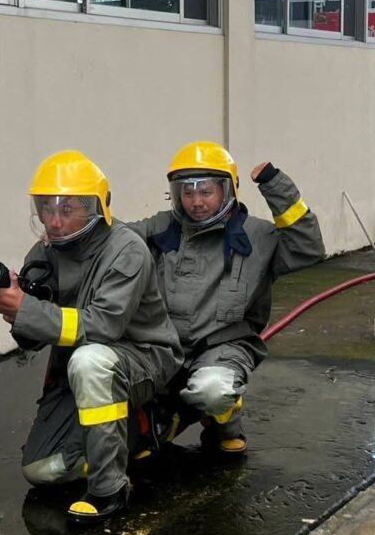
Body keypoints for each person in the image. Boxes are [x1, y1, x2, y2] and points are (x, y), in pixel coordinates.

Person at [0, 150, 182, 523]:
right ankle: (136, 432)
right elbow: (32, 340)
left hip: (142, 358)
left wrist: (28, 310)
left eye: (67, 209)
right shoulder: (45, 251)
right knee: (43, 470)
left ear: (97, 207)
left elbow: (102, 327)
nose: (55, 221)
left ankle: (110, 489)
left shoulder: (127, 250)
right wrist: (17, 306)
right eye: (47, 208)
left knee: (89, 360)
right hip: (80, 369)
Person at [127, 142, 325, 454]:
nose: (196, 202)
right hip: (164, 345)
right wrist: (73, 228)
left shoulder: (256, 236)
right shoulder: (163, 227)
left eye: (206, 192)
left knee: (213, 391)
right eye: (187, 193)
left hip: (223, 345)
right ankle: (167, 416)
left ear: (227, 190)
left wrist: (275, 185)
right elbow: (117, 239)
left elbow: (308, 248)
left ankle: (224, 417)